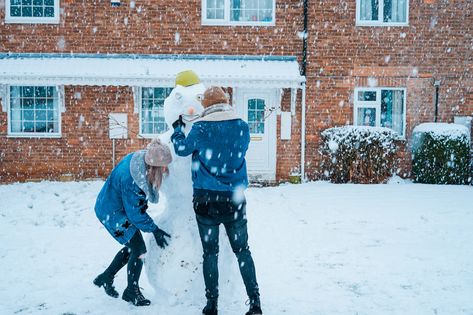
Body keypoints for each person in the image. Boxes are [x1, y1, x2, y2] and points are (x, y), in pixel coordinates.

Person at [171, 86, 262, 315]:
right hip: (234, 201)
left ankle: (212, 304)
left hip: (206, 201)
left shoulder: (201, 128)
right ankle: (255, 302)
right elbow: (240, 150)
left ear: (207, 106)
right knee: (243, 251)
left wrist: (178, 131)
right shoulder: (242, 126)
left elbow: (182, 150)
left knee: (210, 254)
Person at [93, 139, 172, 306]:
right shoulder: (133, 180)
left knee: (134, 247)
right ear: (153, 166)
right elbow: (135, 214)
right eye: (163, 167)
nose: (166, 170)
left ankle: (106, 277)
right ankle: (131, 292)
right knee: (139, 249)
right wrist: (155, 230)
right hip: (112, 213)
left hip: (113, 205)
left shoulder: (141, 161)